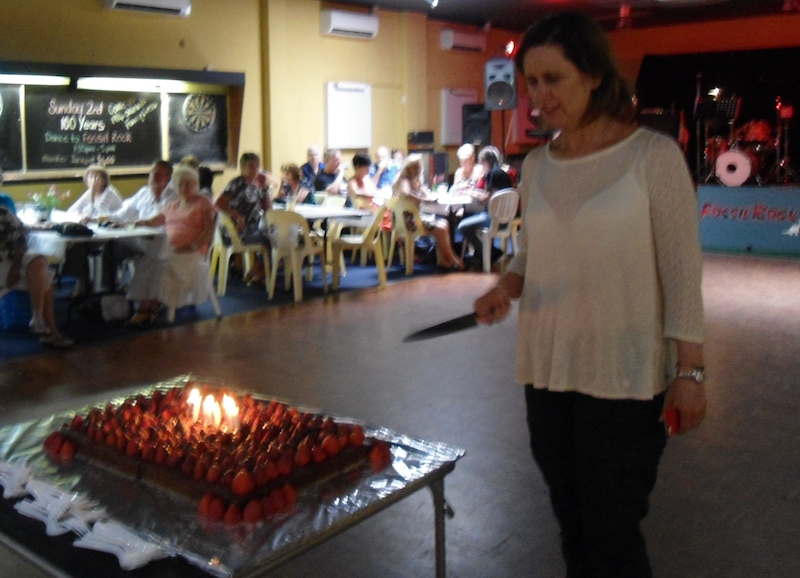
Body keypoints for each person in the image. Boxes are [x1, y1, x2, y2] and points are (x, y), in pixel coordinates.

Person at [473, 13, 706, 578]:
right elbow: (532, 253)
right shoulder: (537, 166)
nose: (540, 95)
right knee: (572, 524)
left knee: (612, 532)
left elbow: (681, 271)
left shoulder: (652, 157)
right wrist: (505, 287)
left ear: (595, 75)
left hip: (624, 375)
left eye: (554, 79)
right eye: (532, 82)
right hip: (548, 370)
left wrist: (691, 372)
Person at [128, 166, 216, 326]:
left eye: (188, 184)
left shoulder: (203, 203)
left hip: (191, 254)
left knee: (160, 265)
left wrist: (193, 246)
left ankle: (151, 310)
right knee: (146, 262)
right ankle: (143, 308)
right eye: (180, 184)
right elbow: (152, 221)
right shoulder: (172, 206)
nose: (184, 188)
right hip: (170, 250)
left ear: (196, 185)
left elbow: (209, 230)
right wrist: (130, 224)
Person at [108, 160, 177, 318]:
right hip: (141, 240)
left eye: (158, 174)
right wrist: (103, 218)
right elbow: (124, 212)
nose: (153, 177)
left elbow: (157, 221)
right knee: (109, 246)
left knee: (152, 258)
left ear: (168, 178)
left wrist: (133, 223)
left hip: (165, 243)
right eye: (152, 173)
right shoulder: (144, 192)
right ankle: (109, 292)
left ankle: (145, 307)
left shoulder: (173, 197)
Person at [0, 205, 72, 347]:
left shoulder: (3, 213)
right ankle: (51, 331)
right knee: (45, 280)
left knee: (39, 261)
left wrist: (15, 268)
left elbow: (20, 240)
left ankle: (38, 319)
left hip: (10, 258)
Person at [392, 154, 463, 270]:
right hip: (405, 221)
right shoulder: (404, 179)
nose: (418, 170)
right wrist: (423, 199)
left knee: (445, 224)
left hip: (415, 217)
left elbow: (425, 195)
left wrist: (430, 197)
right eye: (415, 167)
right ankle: (452, 259)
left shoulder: (416, 181)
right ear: (408, 168)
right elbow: (406, 193)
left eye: (419, 167)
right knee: (440, 229)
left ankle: (444, 260)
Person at [63, 165, 123, 295]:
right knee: (73, 246)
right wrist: (81, 216)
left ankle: (98, 286)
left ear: (104, 180)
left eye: (97, 177)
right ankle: (83, 280)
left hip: (112, 234)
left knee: (81, 246)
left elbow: (99, 213)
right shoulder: (89, 193)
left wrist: (89, 217)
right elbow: (72, 210)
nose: (93, 180)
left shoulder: (109, 193)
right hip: (94, 233)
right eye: (90, 177)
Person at [215, 152, 273, 282]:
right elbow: (219, 204)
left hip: (253, 228)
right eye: (251, 166)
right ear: (242, 167)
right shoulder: (237, 184)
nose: (255, 170)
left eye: (257, 166)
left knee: (276, 235)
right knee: (270, 238)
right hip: (236, 230)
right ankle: (259, 270)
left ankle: (257, 269)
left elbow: (268, 208)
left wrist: (264, 187)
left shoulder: (257, 185)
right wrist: (237, 216)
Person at [457, 146, 514, 270]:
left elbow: (486, 199)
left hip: (493, 218)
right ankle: (485, 253)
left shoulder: (493, 173)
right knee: (470, 220)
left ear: (484, 161)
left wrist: (472, 194)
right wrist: (472, 191)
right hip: (504, 217)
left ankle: (488, 253)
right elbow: (490, 194)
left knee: (463, 226)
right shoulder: (500, 172)